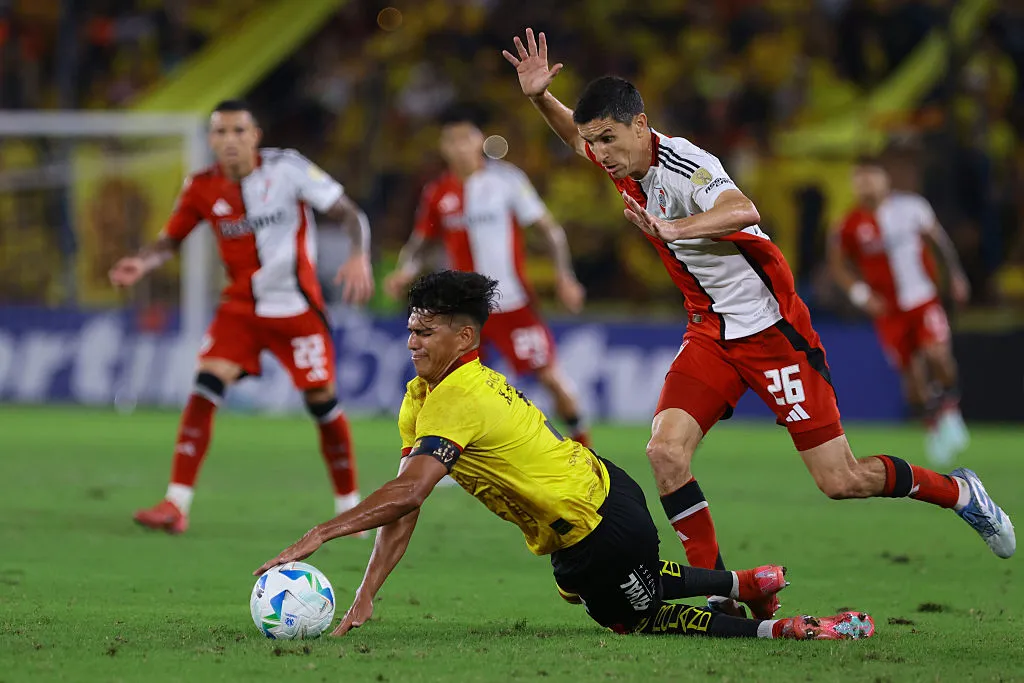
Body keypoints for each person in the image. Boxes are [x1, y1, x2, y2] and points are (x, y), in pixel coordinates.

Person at [500, 29, 1015, 616]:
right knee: (665, 453)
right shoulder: (618, 158)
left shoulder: (686, 163)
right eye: (595, 141)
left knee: (840, 480)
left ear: (640, 126)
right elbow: (574, 135)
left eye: (609, 139)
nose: (600, 152)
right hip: (710, 333)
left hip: (772, 332)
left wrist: (673, 229)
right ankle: (719, 591)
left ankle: (959, 492)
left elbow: (743, 209)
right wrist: (540, 97)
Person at [256, 270, 876, 642]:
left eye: (426, 331)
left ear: (465, 337)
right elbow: (404, 503)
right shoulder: (423, 397)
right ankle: (745, 582)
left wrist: (322, 532)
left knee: (634, 620)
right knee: (582, 588)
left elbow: (410, 492)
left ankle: (782, 628)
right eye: (411, 329)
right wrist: (367, 592)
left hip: (597, 528)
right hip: (602, 497)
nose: (411, 341)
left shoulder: (458, 399)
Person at [109, 100, 375, 534]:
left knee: (322, 404)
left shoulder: (288, 168)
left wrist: (359, 255)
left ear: (255, 136)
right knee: (204, 387)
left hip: (297, 310)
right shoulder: (201, 186)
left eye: (238, 131)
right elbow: (170, 240)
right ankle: (176, 503)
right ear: (210, 140)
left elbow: (349, 213)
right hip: (241, 310)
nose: (230, 140)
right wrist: (142, 262)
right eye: (221, 132)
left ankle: (351, 507)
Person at [383, 104, 591, 446]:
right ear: (443, 147)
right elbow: (421, 242)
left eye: (465, 138)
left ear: (479, 140)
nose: (459, 147)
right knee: (448, 383)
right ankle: (443, 453)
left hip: (512, 303)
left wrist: (564, 276)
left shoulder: (507, 180)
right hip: (464, 310)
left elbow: (549, 230)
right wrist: (404, 271)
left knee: (550, 377)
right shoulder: (438, 192)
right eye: (451, 140)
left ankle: (586, 447)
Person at [829, 157, 970, 465]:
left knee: (937, 354)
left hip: (922, 299)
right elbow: (838, 264)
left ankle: (951, 409)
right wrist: (861, 295)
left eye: (871, 177)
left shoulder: (912, 207)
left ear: (885, 179)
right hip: (889, 312)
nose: (866, 184)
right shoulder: (849, 224)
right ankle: (933, 426)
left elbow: (939, 242)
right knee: (913, 379)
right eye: (860, 179)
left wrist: (956, 276)